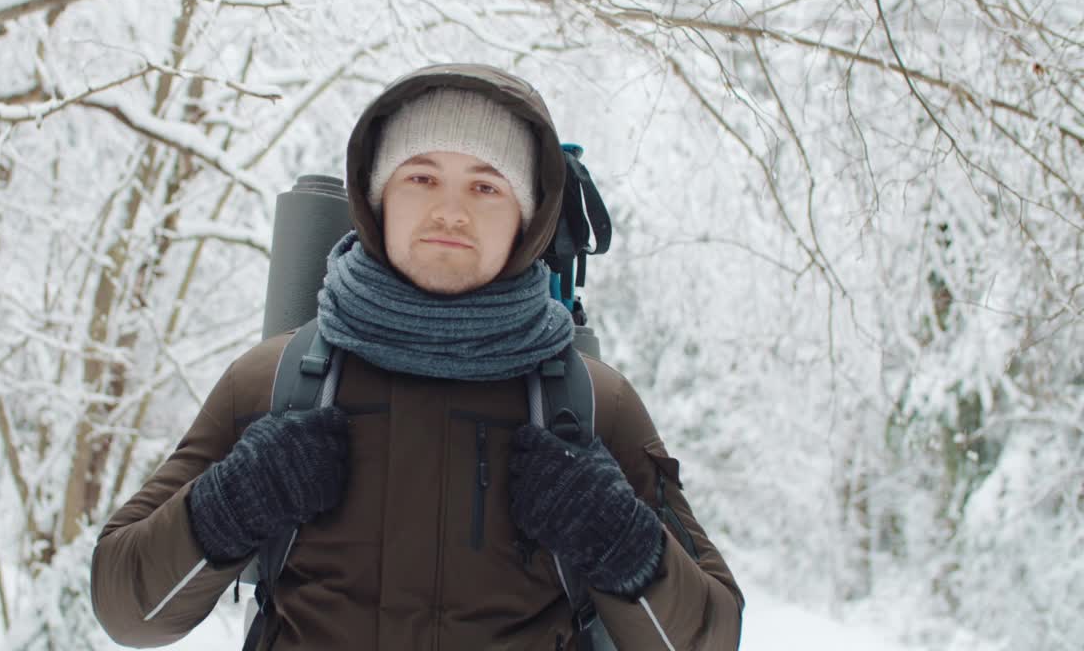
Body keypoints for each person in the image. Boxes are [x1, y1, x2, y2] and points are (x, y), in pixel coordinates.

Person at [90, 64, 743, 650]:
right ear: (376, 199)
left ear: (528, 216)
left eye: (487, 187)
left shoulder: (593, 405)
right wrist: (231, 505)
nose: (450, 211)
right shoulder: (274, 381)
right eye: (421, 177)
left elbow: (711, 636)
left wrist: (620, 542)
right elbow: (129, 612)